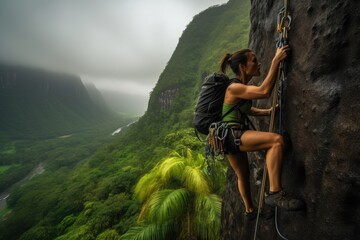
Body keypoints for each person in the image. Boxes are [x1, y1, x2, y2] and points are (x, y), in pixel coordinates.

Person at [219, 46, 303, 220]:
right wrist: (276, 60)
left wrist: (269, 111)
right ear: (242, 67)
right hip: (233, 134)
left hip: (224, 138)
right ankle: (274, 192)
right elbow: (264, 92)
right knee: (276, 141)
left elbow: (248, 110)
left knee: (243, 174)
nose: (258, 64)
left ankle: (250, 211)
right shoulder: (234, 88)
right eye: (254, 61)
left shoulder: (240, 88)